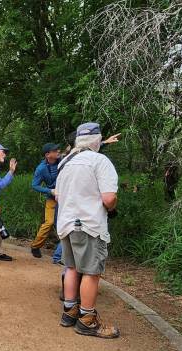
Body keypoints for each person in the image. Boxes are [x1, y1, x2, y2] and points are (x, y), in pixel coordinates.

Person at [57, 122, 120, 339]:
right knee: (92, 272)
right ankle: (87, 320)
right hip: (89, 225)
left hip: (66, 223)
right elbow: (109, 198)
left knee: (72, 267)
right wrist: (111, 207)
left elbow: (58, 195)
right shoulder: (100, 161)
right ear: (97, 141)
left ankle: (69, 311)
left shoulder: (65, 162)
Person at [30, 143, 61, 258]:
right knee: (49, 222)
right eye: (55, 150)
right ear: (48, 154)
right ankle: (35, 246)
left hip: (67, 198)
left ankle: (63, 252)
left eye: (58, 150)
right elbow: (34, 185)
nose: (58, 151)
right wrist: (50, 191)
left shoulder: (63, 160)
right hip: (52, 199)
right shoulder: (41, 168)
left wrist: (102, 143)